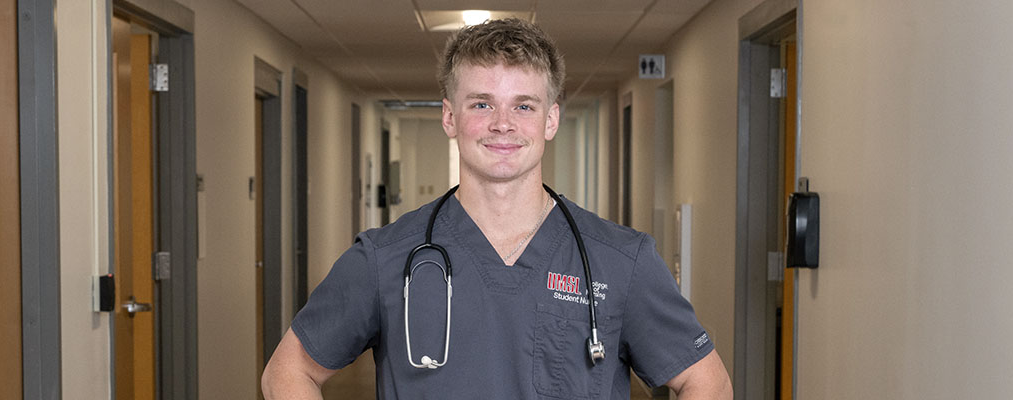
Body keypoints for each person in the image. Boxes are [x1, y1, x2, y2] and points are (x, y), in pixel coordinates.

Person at [262, 18, 732, 399]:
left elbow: (705, 381)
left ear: (551, 119)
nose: (502, 124)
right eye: (482, 104)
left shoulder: (620, 260)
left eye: (524, 106)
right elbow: (287, 372)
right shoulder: (385, 258)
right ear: (450, 117)